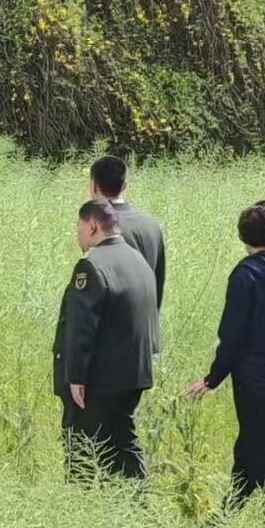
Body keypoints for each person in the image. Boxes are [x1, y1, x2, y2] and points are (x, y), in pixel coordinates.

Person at [187, 200, 265, 505]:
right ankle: (225, 519)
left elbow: (232, 333)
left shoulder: (246, 275)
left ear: (246, 235)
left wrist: (213, 378)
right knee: (252, 446)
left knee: (259, 450)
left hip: (253, 378)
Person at [53, 200, 158, 479]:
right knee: (123, 441)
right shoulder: (138, 260)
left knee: (83, 448)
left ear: (92, 226)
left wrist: (75, 376)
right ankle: (136, 505)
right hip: (134, 375)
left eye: (78, 226)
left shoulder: (91, 266)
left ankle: (81, 508)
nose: (77, 233)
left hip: (100, 380)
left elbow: (81, 327)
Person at [89, 153, 166, 318]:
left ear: (93, 186)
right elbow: (158, 284)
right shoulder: (151, 224)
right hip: (146, 329)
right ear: (125, 186)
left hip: (113, 332)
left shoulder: (97, 228)